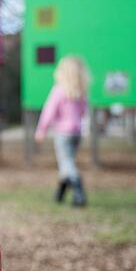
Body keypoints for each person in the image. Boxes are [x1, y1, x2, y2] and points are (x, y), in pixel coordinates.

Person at [35, 56, 89, 206]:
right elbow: (84, 111)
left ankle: (78, 190)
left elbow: (49, 111)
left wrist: (41, 130)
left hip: (63, 133)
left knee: (66, 163)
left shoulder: (59, 90)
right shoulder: (81, 92)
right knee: (67, 161)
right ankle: (60, 194)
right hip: (77, 132)